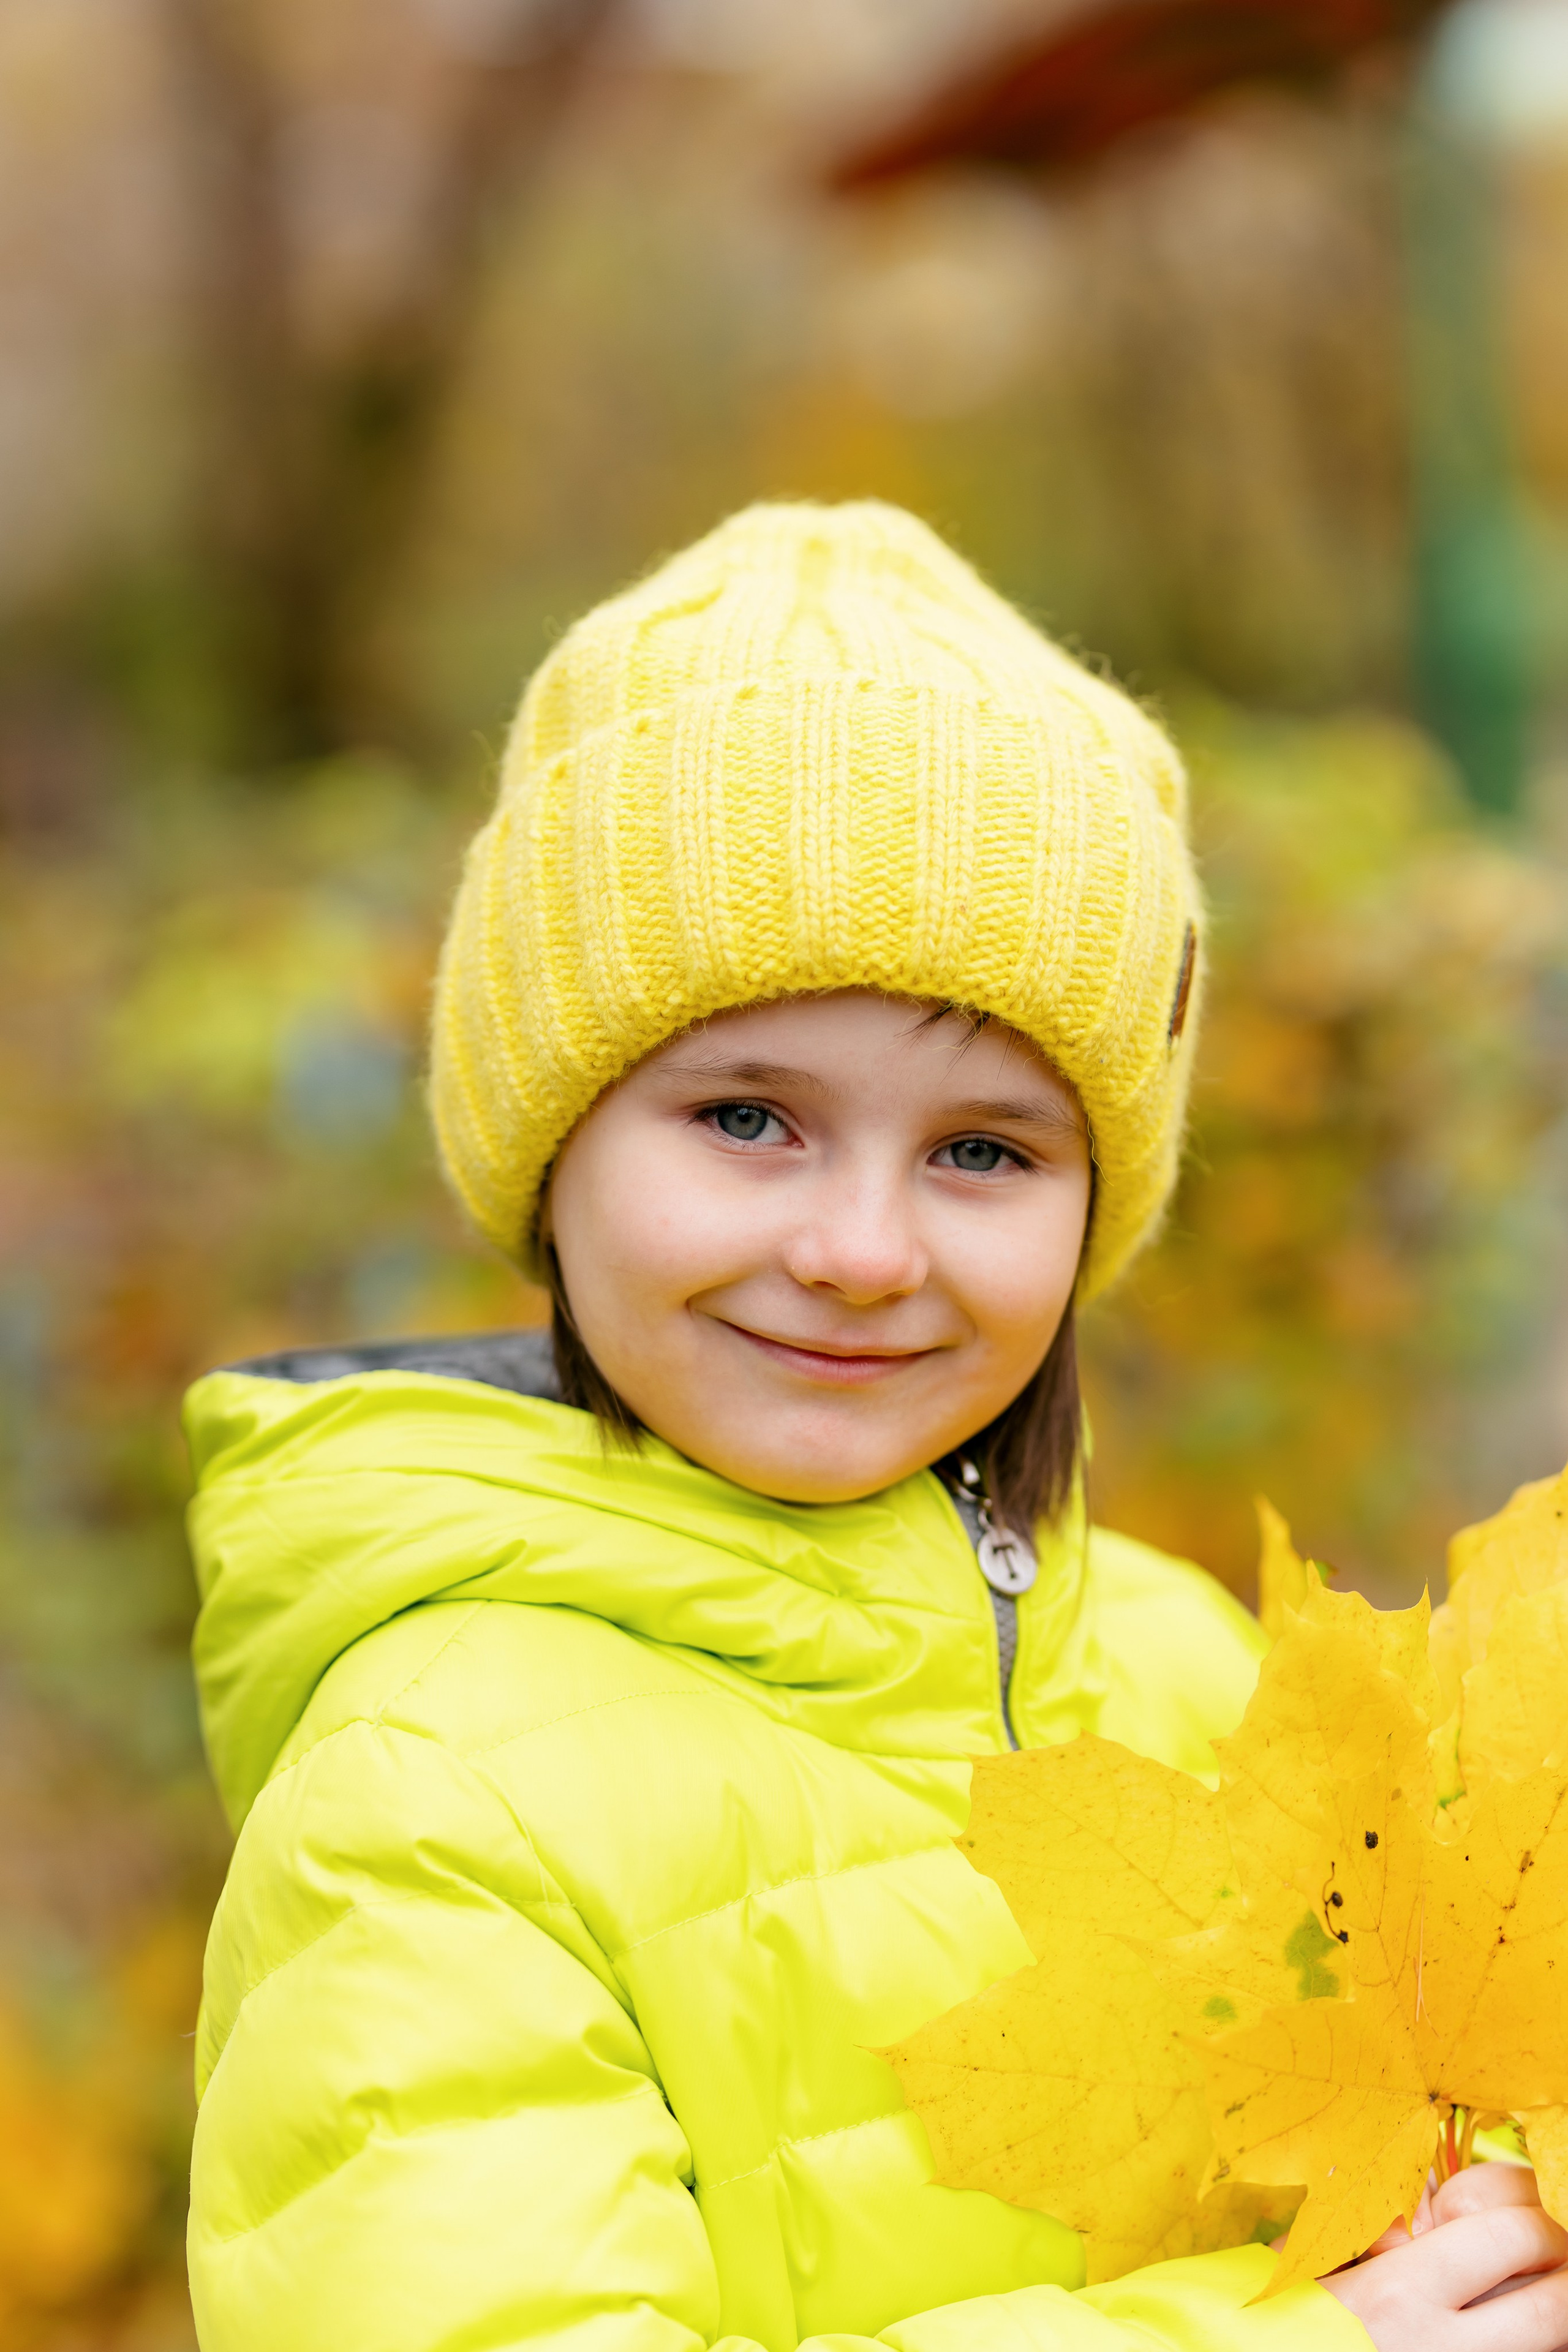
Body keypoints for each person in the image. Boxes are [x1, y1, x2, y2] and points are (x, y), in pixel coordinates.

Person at [182, 502, 1568, 2352]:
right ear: (551, 1153)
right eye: (747, 1117)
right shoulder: (430, 1794)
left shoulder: (1197, 1673)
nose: (856, 1250)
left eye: (983, 1149)